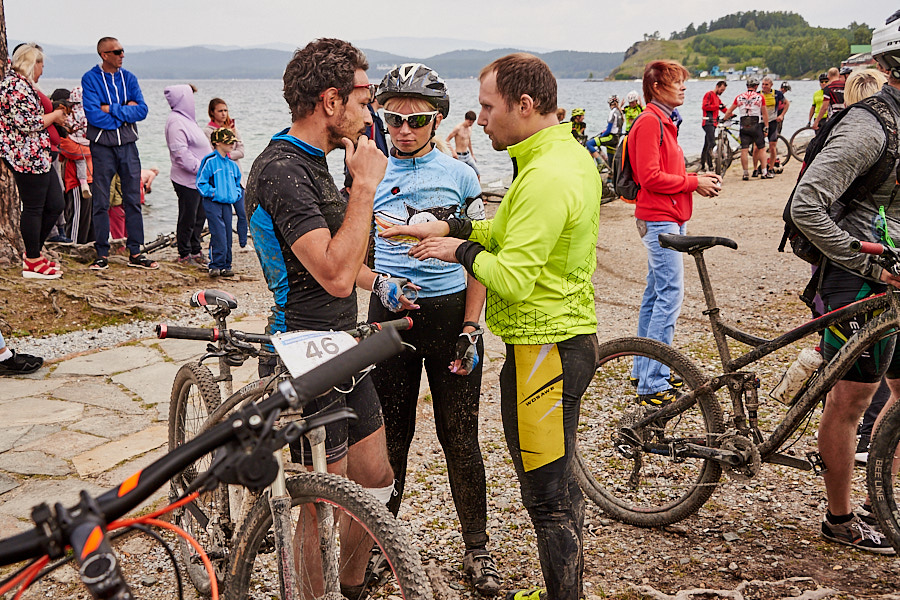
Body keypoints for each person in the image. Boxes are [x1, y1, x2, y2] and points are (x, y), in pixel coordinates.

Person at [383, 52, 603, 600]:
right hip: (555, 340)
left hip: (544, 349)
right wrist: (450, 224)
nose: (480, 119)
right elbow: (499, 226)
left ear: (523, 105)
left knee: (547, 495)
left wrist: (456, 249)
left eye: (487, 106)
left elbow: (514, 278)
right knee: (557, 483)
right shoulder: (554, 157)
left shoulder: (545, 175)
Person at [244, 38, 394, 597]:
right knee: (320, 503)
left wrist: (380, 282)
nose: (370, 110)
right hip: (298, 351)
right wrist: (365, 187)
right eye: (363, 97)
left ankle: (346, 588)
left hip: (341, 345)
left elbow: (340, 260)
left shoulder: (317, 162)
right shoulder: (282, 170)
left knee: (373, 481)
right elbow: (330, 273)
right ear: (331, 101)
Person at [367, 63, 499, 596]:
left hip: (449, 318)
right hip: (391, 319)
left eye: (416, 119)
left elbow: (477, 256)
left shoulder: (462, 174)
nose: (403, 129)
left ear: (436, 119)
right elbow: (352, 256)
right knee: (388, 440)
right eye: (392, 118)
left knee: (459, 437)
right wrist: (377, 285)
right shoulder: (365, 174)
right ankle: (379, 546)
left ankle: (477, 549)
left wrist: (472, 326)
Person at [789, 9, 900, 554]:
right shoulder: (869, 123)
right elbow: (807, 203)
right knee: (852, 402)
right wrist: (863, 258)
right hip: (856, 280)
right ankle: (840, 519)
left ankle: (887, 505)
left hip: (894, 278)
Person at [629, 60, 721, 406]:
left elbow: (662, 173)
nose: (684, 87)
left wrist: (694, 181)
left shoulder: (666, 122)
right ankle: (653, 381)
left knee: (655, 294)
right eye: (676, 82)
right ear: (656, 87)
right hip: (659, 219)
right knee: (669, 295)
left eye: (684, 82)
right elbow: (650, 177)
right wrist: (694, 182)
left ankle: (644, 369)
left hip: (669, 217)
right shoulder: (651, 122)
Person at [81, 36, 156, 271]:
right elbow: (94, 116)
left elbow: (142, 111)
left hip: (128, 146)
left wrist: (112, 109)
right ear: (104, 55)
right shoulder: (90, 79)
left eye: (123, 51)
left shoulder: (129, 78)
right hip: (102, 147)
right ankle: (101, 254)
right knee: (101, 201)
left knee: (133, 199)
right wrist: (125, 111)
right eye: (117, 51)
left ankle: (136, 252)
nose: (122, 55)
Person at [0, 43, 66, 279]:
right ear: (32, 63)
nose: (42, 71)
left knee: (56, 204)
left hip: (39, 155)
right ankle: (33, 260)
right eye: (41, 65)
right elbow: (28, 123)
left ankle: (33, 254)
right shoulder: (14, 86)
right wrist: (55, 116)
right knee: (34, 207)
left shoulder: (23, 85)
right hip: (24, 156)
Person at [164, 84, 211, 267]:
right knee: (188, 217)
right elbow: (180, 154)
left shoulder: (187, 119)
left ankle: (195, 247)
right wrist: (202, 168)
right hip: (186, 180)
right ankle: (184, 253)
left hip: (198, 180)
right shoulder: (176, 122)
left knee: (200, 216)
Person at [197, 128, 242, 278]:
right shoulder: (209, 161)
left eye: (232, 142)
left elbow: (237, 182)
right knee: (218, 233)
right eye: (227, 142)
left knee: (228, 233)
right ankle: (215, 265)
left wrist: (235, 194)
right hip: (212, 203)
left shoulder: (232, 165)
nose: (231, 145)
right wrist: (214, 193)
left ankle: (226, 265)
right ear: (217, 143)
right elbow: (200, 183)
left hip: (227, 204)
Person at [202, 97, 247, 248]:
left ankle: (243, 242)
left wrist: (227, 155)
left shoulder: (233, 128)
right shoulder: (208, 131)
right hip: (220, 179)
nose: (223, 114)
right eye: (220, 111)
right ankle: (220, 246)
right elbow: (211, 153)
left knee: (243, 212)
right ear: (212, 113)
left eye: (225, 110)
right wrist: (225, 155)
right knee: (222, 217)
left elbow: (241, 151)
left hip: (236, 177)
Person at [722, 76, 770, 180]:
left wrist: (724, 119)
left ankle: (745, 173)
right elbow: (765, 113)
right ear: (756, 86)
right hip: (755, 124)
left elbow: (729, 111)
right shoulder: (760, 97)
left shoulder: (739, 97)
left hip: (744, 125)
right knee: (761, 148)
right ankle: (764, 172)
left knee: (744, 149)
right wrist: (766, 126)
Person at [760, 76, 789, 174]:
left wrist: (781, 115)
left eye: (766, 85)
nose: (764, 86)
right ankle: (761, 168)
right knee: (758, 147)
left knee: (772, 146)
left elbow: (786, 103)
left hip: (773, 122)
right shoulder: (758, 94)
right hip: (760, 122)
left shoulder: (777, 94)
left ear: (771, 85)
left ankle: (771, 168)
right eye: (763, 84)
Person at [586, 95, 624, 167]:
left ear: (610, 104)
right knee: (611, 164)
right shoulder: (620, 112)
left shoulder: (612, 112)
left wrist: (601, 136)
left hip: (610, 138)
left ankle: (600, 162)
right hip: (616, 139)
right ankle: (610, 176)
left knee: (589, 143)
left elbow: (609, 130)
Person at [699, 81, 727, 172]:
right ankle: (710, 165)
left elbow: (723, 108)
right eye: (721, 90)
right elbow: (705, 106)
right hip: (708, 121)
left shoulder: (717, 98)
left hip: (714, 123)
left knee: (706, 144)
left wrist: (730, 114)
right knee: (712, 143)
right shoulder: (709, 94)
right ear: (717, 87)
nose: (722, 92)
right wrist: (717, 106)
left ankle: (703, 164)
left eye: (723, 90)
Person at [446, 110, 480, 180]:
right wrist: (453, 152)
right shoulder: (458, 128)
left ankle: (477, 190)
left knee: (477, 174)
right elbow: (447, 140)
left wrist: (472, 154)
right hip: (459, 156)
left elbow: (468, 141)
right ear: (466, 119)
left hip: (468, 155)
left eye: (472, 122)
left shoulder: (470, 128)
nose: (471, 124)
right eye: (470, 122)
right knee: (459, 177)